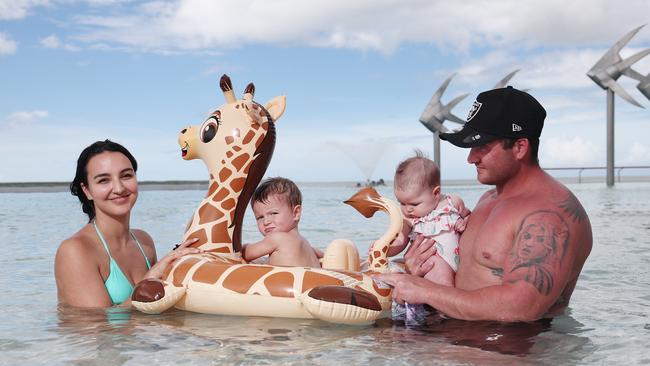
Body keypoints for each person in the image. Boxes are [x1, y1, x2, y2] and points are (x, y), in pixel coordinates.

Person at [375, 86, 593, 322]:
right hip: (451, 339)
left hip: (503, 353)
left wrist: (424, 290)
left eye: (482, 146)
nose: (470, 158)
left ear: (520, 147)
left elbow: (521, 307)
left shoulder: (550, 213)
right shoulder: (488, 199)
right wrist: (413, 269)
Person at [55, 140, 201, 308]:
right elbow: (96, 326)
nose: (119, 188)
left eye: (126, 176)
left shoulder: (144, 241)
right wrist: (149, 278)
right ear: (87, 190)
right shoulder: (75, 250)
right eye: (104, 180)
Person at [386, 153, 470, 287]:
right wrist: (385, 248)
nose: (407, 209)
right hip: (433, 261)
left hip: (460, 260)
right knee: (443, 283)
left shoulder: (452, 202)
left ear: (436, 193)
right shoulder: (409, 220)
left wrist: (463, 221)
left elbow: (468, 217)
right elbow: (400, 241)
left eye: (414, 204)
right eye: (402, 203)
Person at [241, 177, 322, 267]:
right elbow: (323, 256)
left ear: (296, 213)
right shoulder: (307, 245)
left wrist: (243, 246)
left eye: (273, 213)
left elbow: (246, 253)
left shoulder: (276, 238)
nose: (266, 222)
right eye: (260, 217)